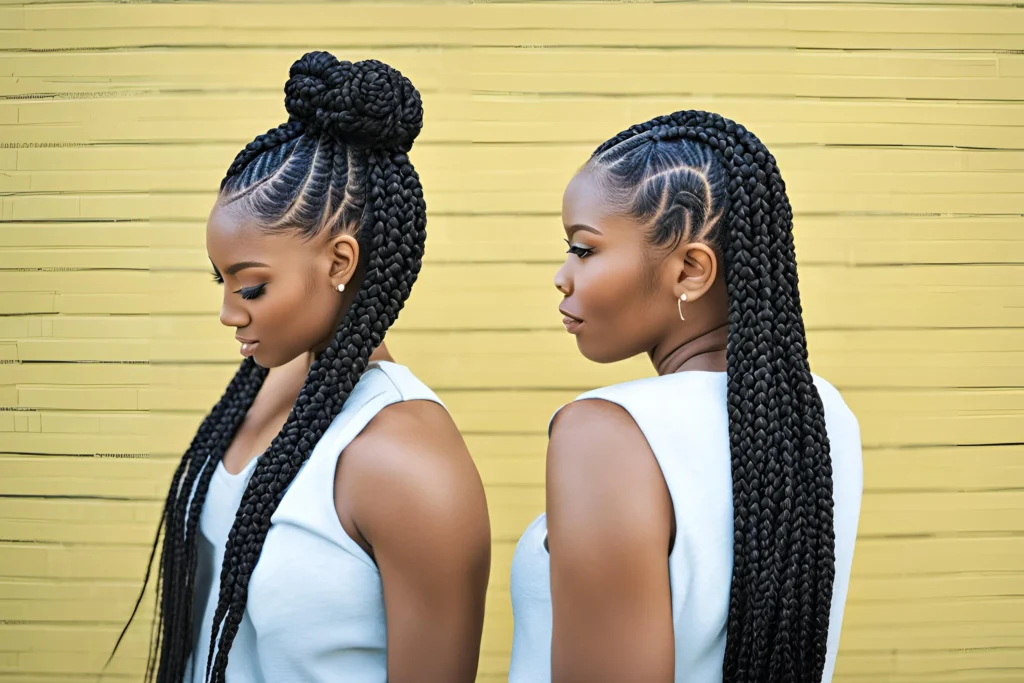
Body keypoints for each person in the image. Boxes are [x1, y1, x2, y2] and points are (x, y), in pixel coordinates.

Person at [111, 51, 490, 683]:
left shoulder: (405, 460)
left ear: (340, 263)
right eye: (222, 281)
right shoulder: (270, 385)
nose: (230, 314)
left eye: (251, 287)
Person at [509, 110, 863, 683]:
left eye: (584, 249)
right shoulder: (821, 414)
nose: (562, 275)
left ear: (691, 271)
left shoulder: (609, 433)